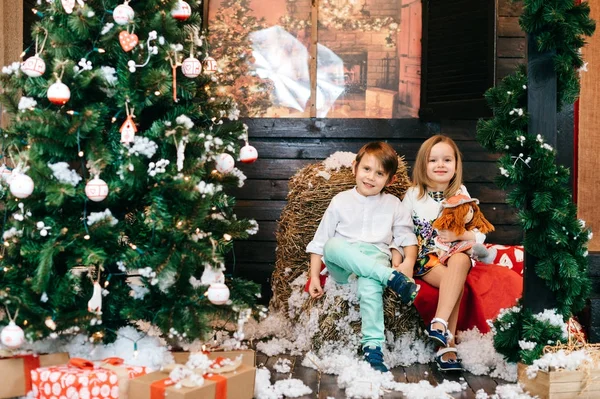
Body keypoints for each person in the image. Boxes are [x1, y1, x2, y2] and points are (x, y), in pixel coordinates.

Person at [306, 141, 419, 373]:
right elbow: (320, 242)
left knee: (370, 289)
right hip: (343, 265)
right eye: (366, 169)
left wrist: (406, 262)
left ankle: (373, 347)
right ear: (355, 168)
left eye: (380, 174)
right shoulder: (340, 201)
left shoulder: (394, 205)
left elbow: (406, 238)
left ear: (390, 181)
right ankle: (390, 278)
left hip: (375, 258)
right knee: (333, 244)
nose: (371, 177)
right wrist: (314, 276)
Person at [401, 135, 483, 372]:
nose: (440, 165)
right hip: (428, 258)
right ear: (422, 165)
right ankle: (447, 342)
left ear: (456, 165)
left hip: (457, 253)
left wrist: (461, 236)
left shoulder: (462, 193)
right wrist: (406, 260)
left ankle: (439, 324)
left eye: (447, 159)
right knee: (453, 282)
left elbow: (480, 233)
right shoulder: (413, 195)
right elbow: (403, 233)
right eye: (433, 160)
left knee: (460, 258)